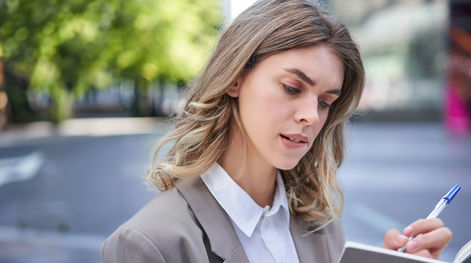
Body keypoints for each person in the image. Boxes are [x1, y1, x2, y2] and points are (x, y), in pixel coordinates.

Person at [101, 0, 452, 262]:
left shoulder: (321, 225)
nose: (311, 116)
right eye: (292, 88)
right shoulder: (148, 244)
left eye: (326, 101)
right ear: (236, 77)